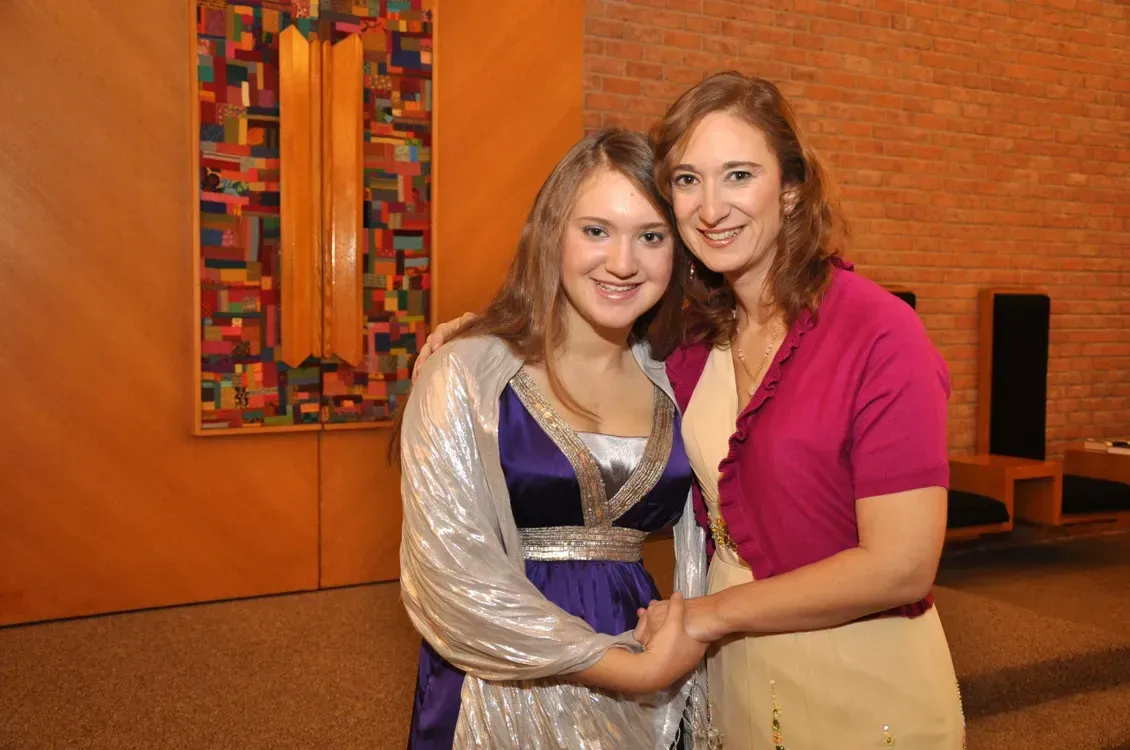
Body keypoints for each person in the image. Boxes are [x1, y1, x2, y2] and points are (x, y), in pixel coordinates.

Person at [414, 72, 966, 749]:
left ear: (791, 188)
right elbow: (571, 328)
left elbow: (903, 564)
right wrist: (485, 334)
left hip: (851, 664)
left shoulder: (878, 332)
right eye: (687, 180)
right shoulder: (694, 343)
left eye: (739, 175)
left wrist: (707, 617)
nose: (711, 207)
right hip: (724, 668)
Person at [395, 128, 715, 750]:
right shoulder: (467, 374)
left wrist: (663, 659)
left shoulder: (676, 379)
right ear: (552, 235)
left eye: (651, 237)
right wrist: (634, 670)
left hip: (643, 662)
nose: (622, 262)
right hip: (502, 677)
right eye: (595, 230)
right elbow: (450, 574)